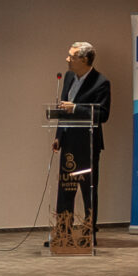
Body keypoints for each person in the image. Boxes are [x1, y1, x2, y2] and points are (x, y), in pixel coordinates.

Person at [51, 42, 109, 225]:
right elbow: (63, 108)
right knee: (65, 188)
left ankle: (89, 231)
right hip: (68, 142)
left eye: (72, 56)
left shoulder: (101, 82)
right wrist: (59, 136)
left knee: (88, 190)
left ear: (84, 60)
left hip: (87, 144)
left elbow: (103, 114)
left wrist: (75, 108)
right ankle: (63, 231)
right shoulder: (68, 76)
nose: (67, 59)